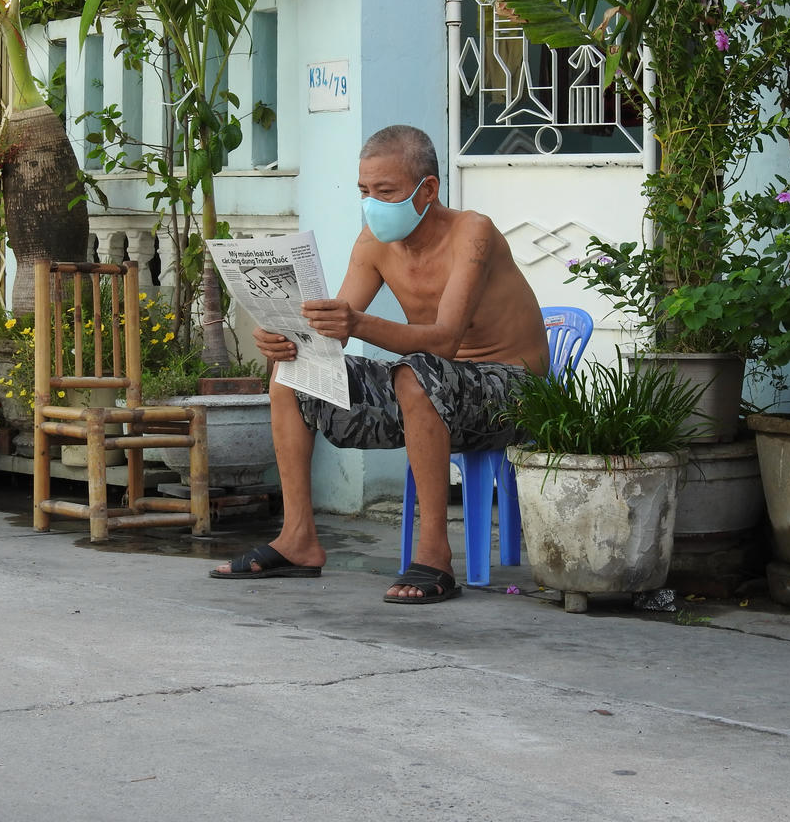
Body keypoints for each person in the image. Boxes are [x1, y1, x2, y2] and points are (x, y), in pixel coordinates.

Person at [210, 124, 549, 604]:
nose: (372, 204)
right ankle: (298, 537)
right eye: (364, 191)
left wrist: (355, 323)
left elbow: (446, 340)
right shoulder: (373, 244)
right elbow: (333, 335)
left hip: (514, 395)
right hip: (431, 389)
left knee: (417, 373)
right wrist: (284, 338)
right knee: (293, 375)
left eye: (385, 192)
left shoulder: (473, 232)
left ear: (427, 190)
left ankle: (434, 552)